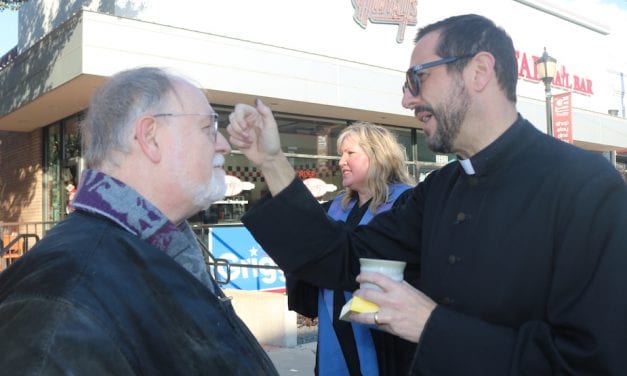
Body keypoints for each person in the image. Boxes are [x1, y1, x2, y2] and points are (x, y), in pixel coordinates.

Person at [227, 14, 627, 375]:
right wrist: (273, 161)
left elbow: (593, 361)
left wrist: (432, 326)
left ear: (479, 70)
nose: (407, 99)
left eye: (417, 78)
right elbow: (344, 258)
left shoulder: (586, 186)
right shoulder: (440, 187)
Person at [0, 67, 277, 375]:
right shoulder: (62, 305)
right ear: (150, 137)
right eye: (208, 127)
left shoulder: (160, 248)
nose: (224, 144)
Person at [287, 121, 416, 375]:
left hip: (385, 335)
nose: (341, 162)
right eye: (340, 155)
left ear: (377, 155)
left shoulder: (407, 203)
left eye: (350, 153)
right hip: (332, 324)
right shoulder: (335, 208)